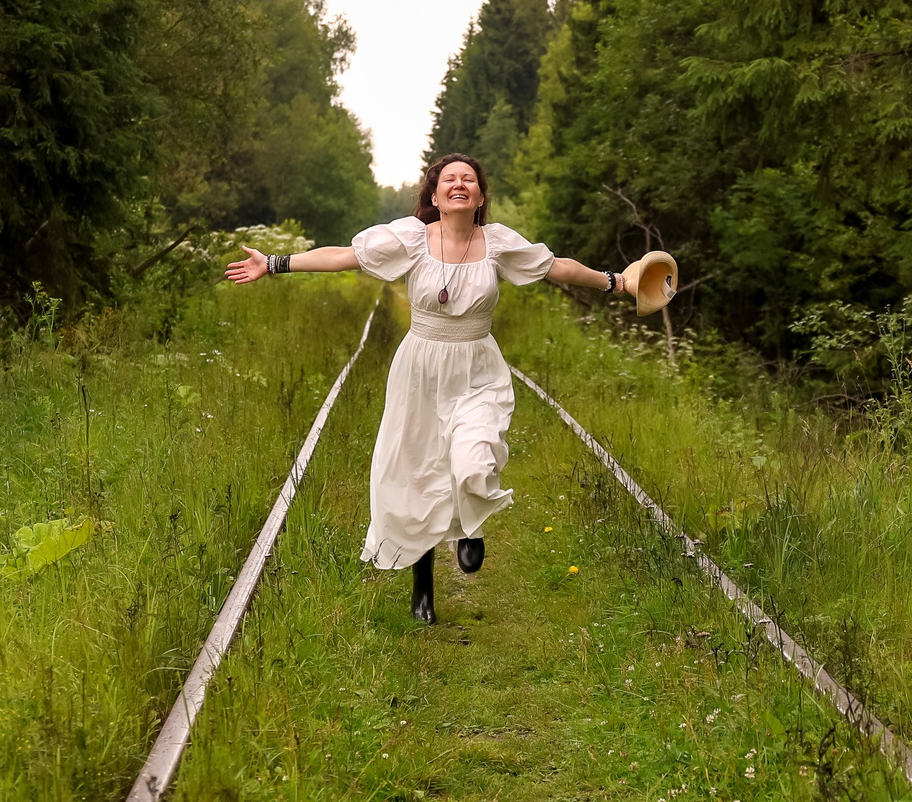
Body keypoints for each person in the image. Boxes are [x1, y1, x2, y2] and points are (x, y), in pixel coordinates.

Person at [224, 153, 634, 622]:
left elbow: (557, 267)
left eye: (469, 180)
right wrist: (275, 263)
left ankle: (470, 527)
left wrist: (616, 281)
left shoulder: (497, 243)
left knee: (473, 457)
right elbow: (343, 257)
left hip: (477, 367)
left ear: (479, 197)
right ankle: (423, 583)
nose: (459, 185)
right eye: (449, 180)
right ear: (435, 195)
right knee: (419, 472)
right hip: (419, 369)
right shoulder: (411, 239)